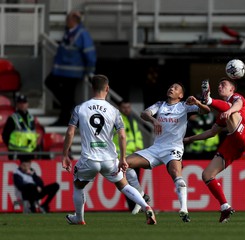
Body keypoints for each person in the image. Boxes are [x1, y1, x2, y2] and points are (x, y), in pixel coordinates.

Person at [62, 75, 156, 225]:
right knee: (124, 185)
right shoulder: (114, 111)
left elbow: (70, 133)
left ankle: (79, 218)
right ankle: (146, 207)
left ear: (92, 88)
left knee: (78, 185)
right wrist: (123, 158)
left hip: (89, 158)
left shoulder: (80, 108)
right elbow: (122, 136)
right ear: (107, 89)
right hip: (109, 159)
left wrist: (65, 154)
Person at [125, 82, 210, 223]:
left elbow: (206, 110)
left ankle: (184, 210)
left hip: (173, 148)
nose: (172, 88)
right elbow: (143, 113)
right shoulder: (160, 105)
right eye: (170, 86)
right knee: (125, 164)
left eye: (176, 88)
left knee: (176, 174)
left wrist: (197, 103)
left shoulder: (184, 106)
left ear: (181, 95)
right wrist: (153, 120)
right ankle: (140, 194)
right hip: (156, 148)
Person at [184, 78, 245, 223]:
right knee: (207, 174)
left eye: (224, 84)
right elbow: (211, 132)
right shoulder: (223, 112)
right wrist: (190, 139)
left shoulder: (236, 98)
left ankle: (208, 100)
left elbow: (238, 105)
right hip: (233, 143)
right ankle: (225, 207)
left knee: (231, 111)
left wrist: (228, 110)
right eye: (219, 84)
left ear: (232, 89)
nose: (220, 86)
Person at [45, 11, 96, 126]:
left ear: (74, 20)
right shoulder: (69, 33)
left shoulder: (82, 34)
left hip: (72, 72)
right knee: (55, 86)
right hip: (62, 70)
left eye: (68, 19)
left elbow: (89, 53)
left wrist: (90, 71)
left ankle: (66, 117)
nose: (66, 22)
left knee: (66, 94)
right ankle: (69, 111)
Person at [112, 100, 149, 214]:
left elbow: (137, 135)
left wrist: (139, 147)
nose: (127, 109)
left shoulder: (132, 119)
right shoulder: (117, 120)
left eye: (128, 107)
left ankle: (139, 205)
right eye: (124, 107)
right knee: (127, 182)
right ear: (119, 108)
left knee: (132, 181)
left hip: (133, 156)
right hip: (122, 156)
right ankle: (136, 205)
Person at [2, 94, 42, 161]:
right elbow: (5, 135)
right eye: (20, 103)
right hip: (16, 152)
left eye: (24, 102)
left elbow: (33, 134)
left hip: (30, 152)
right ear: (17, 104)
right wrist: (12, 147)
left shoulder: (31, 118)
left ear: (27, 104)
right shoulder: (12, 118)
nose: (22, 104)